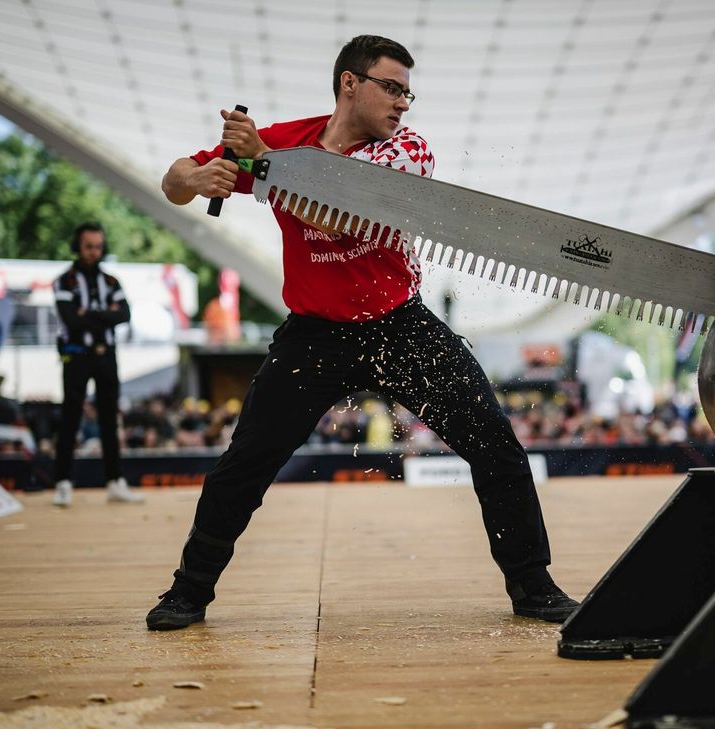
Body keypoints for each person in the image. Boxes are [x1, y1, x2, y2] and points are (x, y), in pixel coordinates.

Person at [146, 35, 578, 630]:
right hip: (314, 336)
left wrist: (261, 160)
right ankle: (187, 593)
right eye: (392, 88)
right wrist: (200, 181)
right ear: (351, 83)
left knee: (497, 448)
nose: (404, 103)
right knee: (244, 463)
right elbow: (174, 178)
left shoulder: (408, 151)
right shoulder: (288, 140)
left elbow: (335, 209)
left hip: (397, 325)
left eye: (408, 91)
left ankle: (534, 589)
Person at [52, 223, 144, 506]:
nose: (94, 251)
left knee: (109, 417)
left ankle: (115, 481)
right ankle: (63, 482)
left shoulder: (112, 282)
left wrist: (87, 313)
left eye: (98, 246)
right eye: (88, 246)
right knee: (71, 415)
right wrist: (106, 314)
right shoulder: (64, 280)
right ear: (77, 247)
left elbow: (125, 315)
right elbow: (71, 320)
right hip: (76, 353)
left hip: (106, 354)